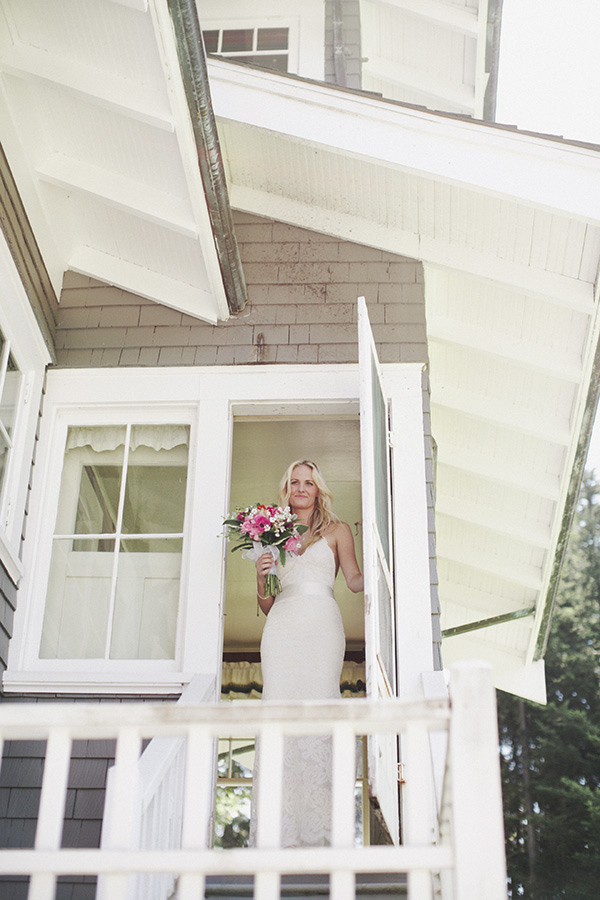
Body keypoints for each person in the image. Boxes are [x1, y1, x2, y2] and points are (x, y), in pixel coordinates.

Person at [251, 460, 364, 848]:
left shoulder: (337, 530)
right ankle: (277, 831)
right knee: (279, 710)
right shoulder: (270, 534)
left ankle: (321, 831)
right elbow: (266, 604)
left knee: (319, 709)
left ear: (319, 490)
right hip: (281, 629)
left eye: (309, 483)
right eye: (295, 482)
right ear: (287, 489)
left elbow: (353, 580)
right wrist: (260, 574)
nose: (301, 488)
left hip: (322, 628)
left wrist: (391, 567)